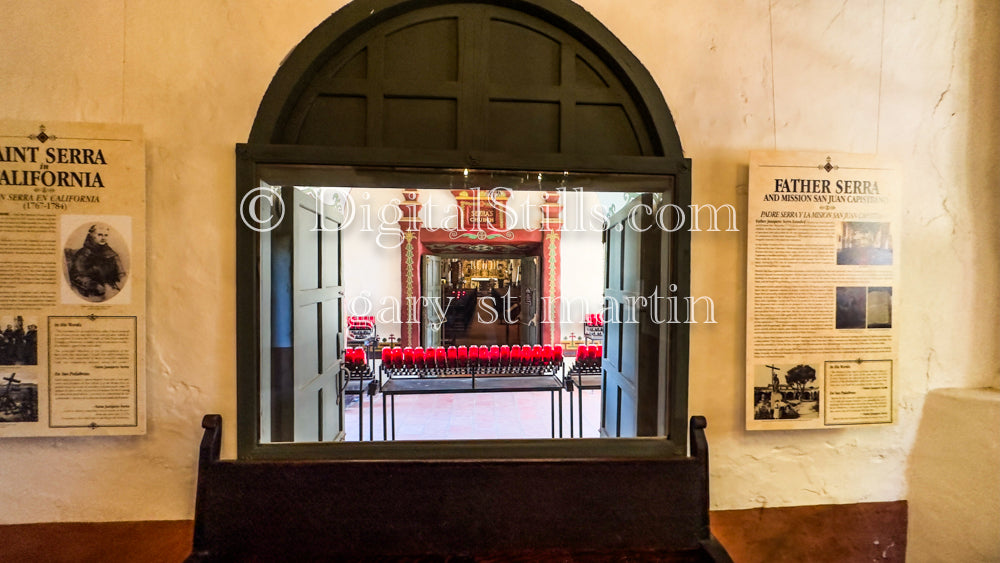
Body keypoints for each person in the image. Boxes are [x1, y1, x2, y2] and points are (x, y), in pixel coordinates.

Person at [67, 223, 126, 301]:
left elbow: (121, 273)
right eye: (100, 235)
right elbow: (77, 275)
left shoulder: (111, 253)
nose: (103, 238)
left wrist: (121, 282)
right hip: (91, 292)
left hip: (112, 289)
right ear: (91, 235)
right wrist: (94, 286)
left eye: (106, 235)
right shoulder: (83, 254)